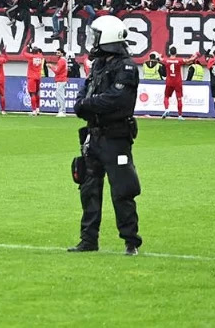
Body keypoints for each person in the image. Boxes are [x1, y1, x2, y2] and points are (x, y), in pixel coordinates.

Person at [69, 16, 142, 256]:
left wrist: (88, 104)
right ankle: (88, 239)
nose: (93, 41)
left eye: (97, 35)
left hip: (116, 136)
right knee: (88, 187)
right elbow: (83, 98)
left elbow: (117, 99)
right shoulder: (99, 65)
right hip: (94, 136)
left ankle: (131, 241)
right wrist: (87, 105)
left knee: (122, 189)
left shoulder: (127, 67)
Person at [159, 52, 185, 120]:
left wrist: (160, 56)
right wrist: (195, 56)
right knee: (179, 98)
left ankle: (167, 109)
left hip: (169, 82)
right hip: (178, 82)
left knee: (166, 96)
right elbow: (188, 61)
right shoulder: (179, 60)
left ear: (170, 53)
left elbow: (160, 59)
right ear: (176, 53)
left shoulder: (166, 60)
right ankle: (179, 115)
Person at [25, 48, 46, 116]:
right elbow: (40, 53)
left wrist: (27, 46)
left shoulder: (31, 57)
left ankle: (33, 110)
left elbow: (23, 53)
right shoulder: (40, 57)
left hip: (31, 77)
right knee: (37, 93)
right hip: (38, 76)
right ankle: (37, 109)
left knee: (32, 94)